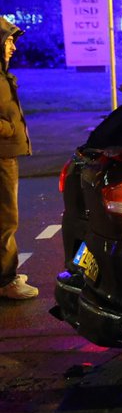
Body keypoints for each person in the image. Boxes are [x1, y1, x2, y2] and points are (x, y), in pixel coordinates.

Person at [0, 16, 36, 300]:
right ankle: (6, 280)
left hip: (6, 153)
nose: (13, 47)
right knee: (6, 218)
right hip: (2, 155)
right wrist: (9, 129)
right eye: (9, 41)